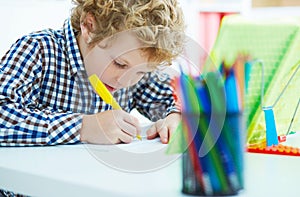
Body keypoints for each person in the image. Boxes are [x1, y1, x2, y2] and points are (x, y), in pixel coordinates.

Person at [0, 0, 185, 146]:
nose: (126, 81)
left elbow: (176, 101)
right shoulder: (38, 50)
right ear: (89, 27)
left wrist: (174, 117)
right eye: (119, 64)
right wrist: (84, 127)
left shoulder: (135, 68)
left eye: (141, 72)